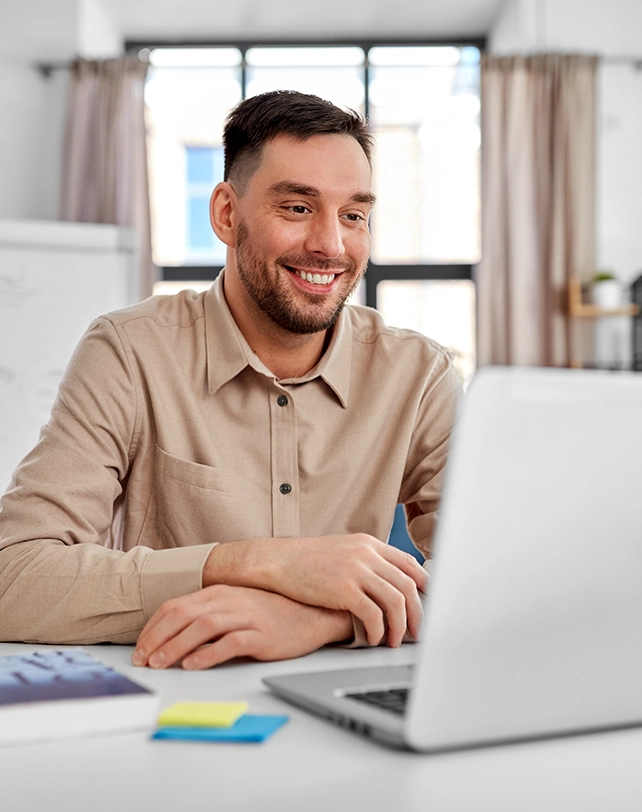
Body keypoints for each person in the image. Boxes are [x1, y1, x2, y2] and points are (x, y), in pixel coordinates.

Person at [0, 90, 461, 671]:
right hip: (176, 704)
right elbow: (13, 574)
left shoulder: (419, 375)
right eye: (297, 208)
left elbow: (495, 575)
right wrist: (250, 564)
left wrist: (320, 618)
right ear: (226, 214)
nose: (331, 245)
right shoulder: (129, 351)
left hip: (349, 706)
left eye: (354, 216)